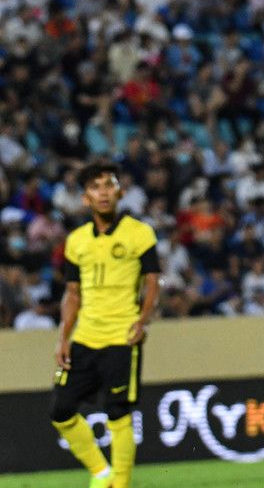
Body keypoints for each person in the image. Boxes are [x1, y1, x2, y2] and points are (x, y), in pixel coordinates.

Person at [51, 162, 160, 488]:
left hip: (121, 336)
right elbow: (72, 294)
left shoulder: (139, 233)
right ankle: (102, 473)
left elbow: (152, 282)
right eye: (96, 187)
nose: (103, 192)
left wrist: (142, 321)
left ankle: (120, 483)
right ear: (86, 198)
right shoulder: (76, 241)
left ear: (120, 192)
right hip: (85, 337)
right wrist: (63, 338)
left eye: (109, 185)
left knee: (117, 412)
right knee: (62, 411)